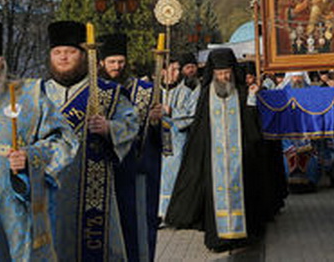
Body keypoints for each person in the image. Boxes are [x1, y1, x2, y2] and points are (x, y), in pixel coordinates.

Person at [0, 23, 77, 260]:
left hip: (15, 214)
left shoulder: (28, 95)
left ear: (1, 61)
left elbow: (65, 140)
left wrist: (31, 156)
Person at [165, 48, 280, 252]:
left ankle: (242, 236)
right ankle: (218, 239)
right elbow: (199, 131)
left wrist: (252, 100)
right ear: (213, 73)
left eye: (227, 72)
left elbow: (253, 129)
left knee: (244, 194)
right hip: (214, 161)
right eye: (219, 73)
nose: (224, 77)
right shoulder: (206, 95)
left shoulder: (243, 92)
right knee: (214, 197)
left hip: (240, 159)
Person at [44, 21, 139, 261]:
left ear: (84, 55)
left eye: (70, 52)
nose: (63, 57)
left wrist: (110, 128)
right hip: (49, 191)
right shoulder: (37, 93)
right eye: (57, 52)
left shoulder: (108, 92)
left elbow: (131, 124)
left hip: (94, 190)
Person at [99, 33, 162, 262]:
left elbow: (163, 139)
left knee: (138, 225)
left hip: (137, 169)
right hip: (104, 170)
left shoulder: (146, 90)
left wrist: (157, 122)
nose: (117, 67)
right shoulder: (94, 93)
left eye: (121, 62)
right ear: (101, 63)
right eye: (112, 62)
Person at [158, 56, 198, 219]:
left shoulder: (187, 92)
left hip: (177, 141)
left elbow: (192, 115)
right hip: (156, 140)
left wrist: (171, 111)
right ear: (163, 71)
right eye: (172, 69)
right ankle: (157, 211)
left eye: (177, 69)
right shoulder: (153, 91)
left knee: (173, 175)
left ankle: (170, 213)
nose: (176, 73)